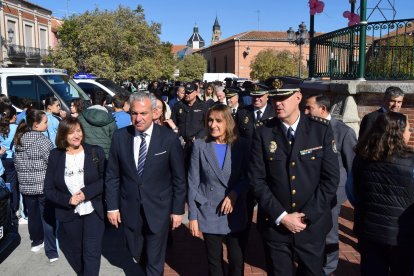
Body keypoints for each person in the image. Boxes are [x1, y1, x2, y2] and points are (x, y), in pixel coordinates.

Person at [249, 80, 339, 276]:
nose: (277, 103)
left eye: (282, 97)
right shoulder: (263, 132)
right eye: (274, 98)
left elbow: (330, 180)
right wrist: (283, 217)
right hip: (276, 225)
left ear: (298, 97)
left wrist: (306, 216)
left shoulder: (320, 130)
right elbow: (257, 180)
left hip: (312, 227)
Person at [105, 92, 186, 276]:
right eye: (134, 113)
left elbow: (179, 178)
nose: (138, 118)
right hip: (130, 208)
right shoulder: (120, 137)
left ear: (154, 112)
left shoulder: (168, 139)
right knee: (138, 254)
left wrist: (177, 209)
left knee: (155, 259)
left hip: (159, 208)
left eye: (143, 113)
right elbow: (112, 176)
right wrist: (112, 207)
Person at [188, 104, 249, 276]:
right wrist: (193, 216)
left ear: (228, 122)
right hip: (209, 209)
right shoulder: (200, 145)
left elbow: (249, 176)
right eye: (210, 120)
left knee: (237, 261)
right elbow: (193, 181)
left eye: (218, 121)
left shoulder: (242, 145)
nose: (213, 125)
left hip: (235, 211)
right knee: (214, 261)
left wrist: (235, 193)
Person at [350, 112, 414, 276]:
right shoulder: (411, 162)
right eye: (408, 129)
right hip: (402, 235)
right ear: (398, 132)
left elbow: (351, 192)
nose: (410, 132)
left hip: (369, 230)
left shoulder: (361, 158)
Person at [44, 117, 106, 276]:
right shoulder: (55, 156)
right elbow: (49, 189)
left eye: (78, 131)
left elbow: (106, 180)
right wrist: (68, 199)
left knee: (91, 252)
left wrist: (87, 192)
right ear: (63, 135)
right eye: (71, 132)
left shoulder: (95, 151)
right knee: (78, 253)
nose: (76, 135)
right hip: (69, 214)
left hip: (93, 211)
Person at [304, 95, 357, 275]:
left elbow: (352, 166)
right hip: (310, 190)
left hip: (333, 194)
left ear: (323, 109)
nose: (305, 111)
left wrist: (348, 194)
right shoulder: (306, 128)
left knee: (330, 232)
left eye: (309, 108)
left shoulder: (343, 132)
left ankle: (328, 268)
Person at [14, 109, 58, 262]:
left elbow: (16, 162)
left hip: (26, 186)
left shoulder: (19, 139)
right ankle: (52, 251)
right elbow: (52, 162)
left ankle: (36, 242)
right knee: (47, 217)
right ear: (36, 124)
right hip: (42, 185)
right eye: (45, 122)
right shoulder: (42, 141)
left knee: (32, 216)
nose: (47, 124)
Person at [171, 82, 209, 167]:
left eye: (189, 92)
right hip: (181, 144)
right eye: (186, 92)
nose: (187, 94)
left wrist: (199, 137)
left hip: (197, 144)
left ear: (196, 92)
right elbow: (174, 123)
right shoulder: (178, 106)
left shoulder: (203, 106)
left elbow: (207, 125)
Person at [78, 90, 117, 159]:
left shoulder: (80, 117)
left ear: (91, 101)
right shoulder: (110, 119)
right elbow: (114, 140)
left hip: (85, 154)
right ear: (104, 102)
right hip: (105, 156)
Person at [0, 105, 19, 231]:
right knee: (13, 185)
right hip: (13, 158)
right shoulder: (17, 128)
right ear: (14, 116)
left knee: (5, 183)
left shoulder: (1, 127)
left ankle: (7, 204)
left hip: (2, 159)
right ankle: (13, 208)